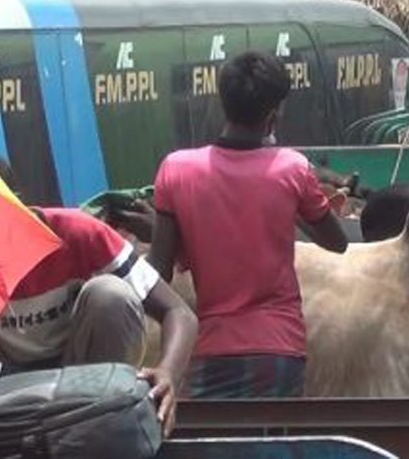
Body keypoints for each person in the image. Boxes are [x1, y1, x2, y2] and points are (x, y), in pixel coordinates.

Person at [0, 150, 197, 434]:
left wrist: (168, 372)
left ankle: (103, 419)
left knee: (110, 294)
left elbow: (179, 313)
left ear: (14, 205)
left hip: (81, 381)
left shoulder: (78, 233)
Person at [149, 51, 348, 399]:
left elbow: (158, 272)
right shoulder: (293, 169)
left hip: (210, 348)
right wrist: (292, 202)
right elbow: (337, 241)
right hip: (280, 350)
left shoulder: (176, 170)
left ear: (223, 102)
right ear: (273, 116)